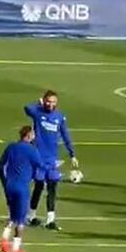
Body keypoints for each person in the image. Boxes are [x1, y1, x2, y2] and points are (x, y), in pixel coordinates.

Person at [23, 90, 78, 231]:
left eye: (53, 102)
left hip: (52, 159)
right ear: (44, 101)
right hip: (38, 157)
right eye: (48, 101)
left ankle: (50, 219)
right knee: (39, 186)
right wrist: (38, 104)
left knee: (53, 187)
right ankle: (31, 216)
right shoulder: (38, 113)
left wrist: (72, 154)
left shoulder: (59, 117)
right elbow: (27, 108)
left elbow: (65, 135)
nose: (50, 104)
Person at [0, 126, 43, 252]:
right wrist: (54, 166)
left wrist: (5, 182)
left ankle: (4, 239)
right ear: (28, 135)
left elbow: (0, 166)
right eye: (33, 134)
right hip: (22, 188)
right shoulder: (32, 150)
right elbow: (40, 165)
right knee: (21, 220)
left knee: (12, 216)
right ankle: (16, 249)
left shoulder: (11, 147)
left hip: (10, 186)